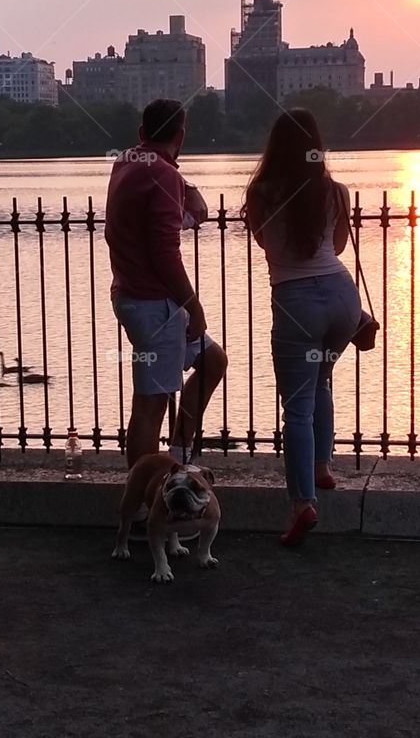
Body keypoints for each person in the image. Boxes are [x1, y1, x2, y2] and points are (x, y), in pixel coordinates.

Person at [242, 108, 366, 547]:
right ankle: (322, 465)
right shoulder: (335, 191)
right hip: (341, 298)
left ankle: (302, 504)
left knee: (296, 407)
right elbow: (336, 245)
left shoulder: (260, 194)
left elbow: (263, 240)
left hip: (297, 302)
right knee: (322, 381)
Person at [105, 98, 227, 468]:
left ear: (142, 133)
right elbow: (165, 254)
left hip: (133, 295)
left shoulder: (126, 162)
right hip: (155, 305)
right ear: (182, 135)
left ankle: (178, 456)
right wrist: (194, 304)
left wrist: (183, 184)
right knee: (150, 403)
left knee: (212, 361)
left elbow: (162, 213)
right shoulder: (163, 175)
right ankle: (141, 500)